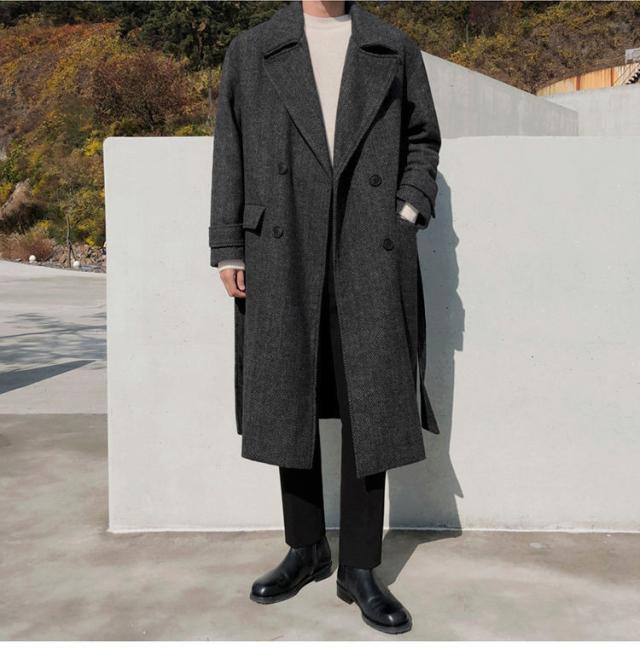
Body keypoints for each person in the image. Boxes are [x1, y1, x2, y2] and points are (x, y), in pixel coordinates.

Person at [209, 0, 441, 635]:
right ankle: (306, 546)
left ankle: (359, 566)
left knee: (373, 401)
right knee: (289, 394)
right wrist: (227, 245)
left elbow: (423, 138)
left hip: (371, 245)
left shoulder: (391, 46)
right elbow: (230, 148)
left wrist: (407, 209)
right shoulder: (253, 49)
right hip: (281, 245)